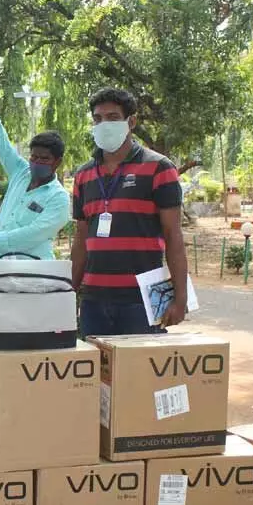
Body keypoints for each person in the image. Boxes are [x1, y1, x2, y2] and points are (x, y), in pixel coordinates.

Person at [70, 87, 187, 337]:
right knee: (96, 375)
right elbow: (80, 240)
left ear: (131, 122)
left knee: (140, 374)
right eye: (98, 119)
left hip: (142, 300)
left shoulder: (159, 168)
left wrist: (180, 297)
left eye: (113, 118)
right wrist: (70, 291)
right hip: (93, 300)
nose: (104, 124)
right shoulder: (83, 175)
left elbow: (173, 237)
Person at [0, 75, 70, 260]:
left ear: (57, 162)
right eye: (34, 156)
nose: (37, 162)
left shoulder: (59, 198)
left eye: (44, 158)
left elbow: (34, 233)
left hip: (33, 272)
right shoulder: (20, 172)